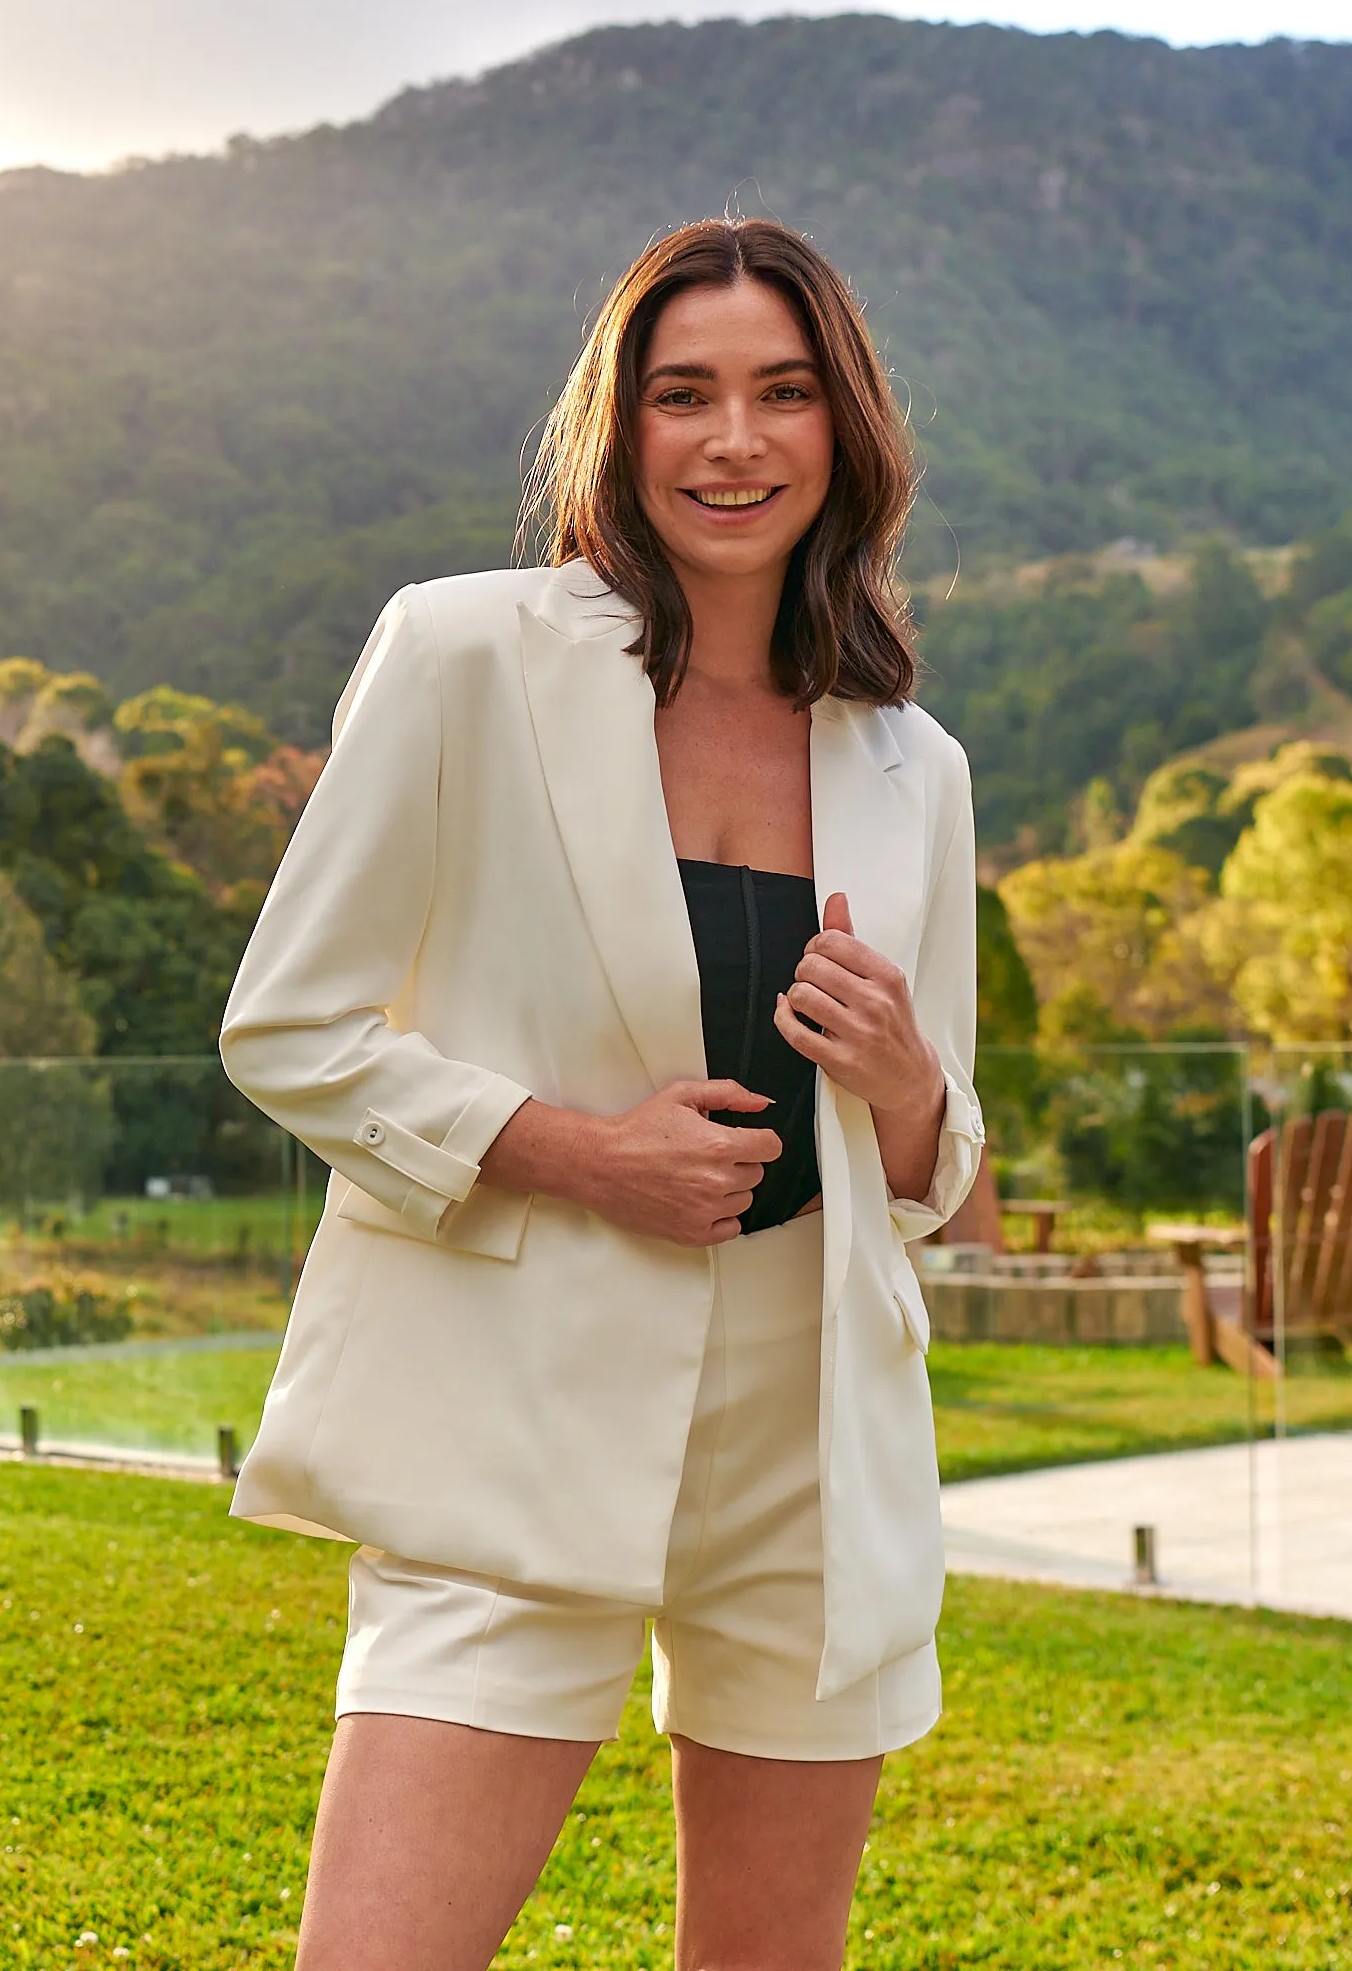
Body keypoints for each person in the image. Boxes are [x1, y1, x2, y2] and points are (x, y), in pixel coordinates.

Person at [218, 217, 983, 1971]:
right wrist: (576, 1153)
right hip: (513, 1411)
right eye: (684, 395)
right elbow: (292, 1024)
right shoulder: (465, 653)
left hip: (812, 1437)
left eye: (783, 395)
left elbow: (940, 1176)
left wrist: (908, 1082)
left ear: (844, 429)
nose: (735, 441)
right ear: (619, 431)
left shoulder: (910, 762)